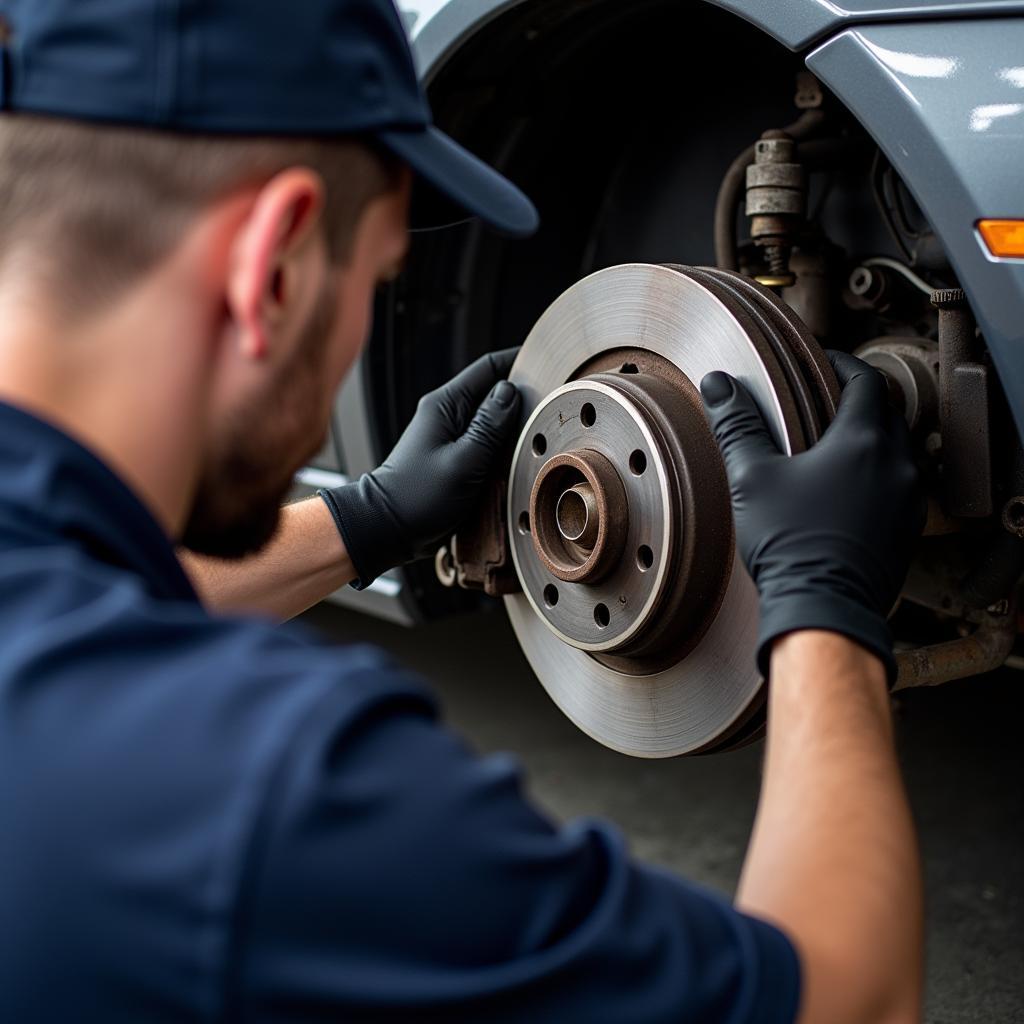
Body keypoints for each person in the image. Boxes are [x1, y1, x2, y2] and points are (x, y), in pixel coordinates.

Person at [0, 0, 925, 1021]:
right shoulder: (276, 789)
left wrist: (366, 518)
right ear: (272, 263)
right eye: (377, 278)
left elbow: (85, 612)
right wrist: (823, 604)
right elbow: (847, 1000)